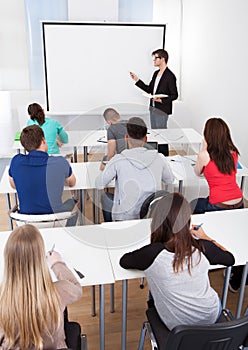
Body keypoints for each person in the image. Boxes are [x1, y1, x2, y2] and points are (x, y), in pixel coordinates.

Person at [120, 192, 235, 334]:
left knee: (156, 287)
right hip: (210, 316)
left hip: (177, 326)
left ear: (157, 222)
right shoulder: (202, 247)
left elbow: (124, 261)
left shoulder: (152, 253)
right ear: (187, 221)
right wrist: (205, 237)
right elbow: (230, 258)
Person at [0, 224, 82, 349]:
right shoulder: (59, 291)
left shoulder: (2, 298)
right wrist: (57, 263)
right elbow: (76, 288)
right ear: (39, 259)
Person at [95, 117, 174, 222]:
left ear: (126, 137)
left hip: (124, 217)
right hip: (150, 215)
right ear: (146, 139)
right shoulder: (159, 158)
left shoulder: (118, 159)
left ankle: (113, 230)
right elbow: (170, 180)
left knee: (105, 197)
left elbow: (99, 184)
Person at [9, 125, 78, 226]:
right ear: (43, 140)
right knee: (74, 201)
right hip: (56, 221)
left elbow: (13, 185)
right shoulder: (60, 162)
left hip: (27, 224)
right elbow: (72, 183)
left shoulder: (16, 162)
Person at [130, 49, 178, 156]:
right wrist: (137, 80)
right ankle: (155, 155)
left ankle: (164, 156)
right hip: (153, 108)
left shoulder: (170, 76)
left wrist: (161, 100)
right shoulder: (156, 73)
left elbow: (174, 95)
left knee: (162, 134)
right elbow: (149, 89)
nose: (154, 60)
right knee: (154, 134)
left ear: (163, 59)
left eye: (156, 58)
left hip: (162, 110)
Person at [191, 117, 243, 214]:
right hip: (239, 202)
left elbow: (197, 172)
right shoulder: (233, 153)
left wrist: (204, 148)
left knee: (193, 204)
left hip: (219, 204)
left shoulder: (204, 155)